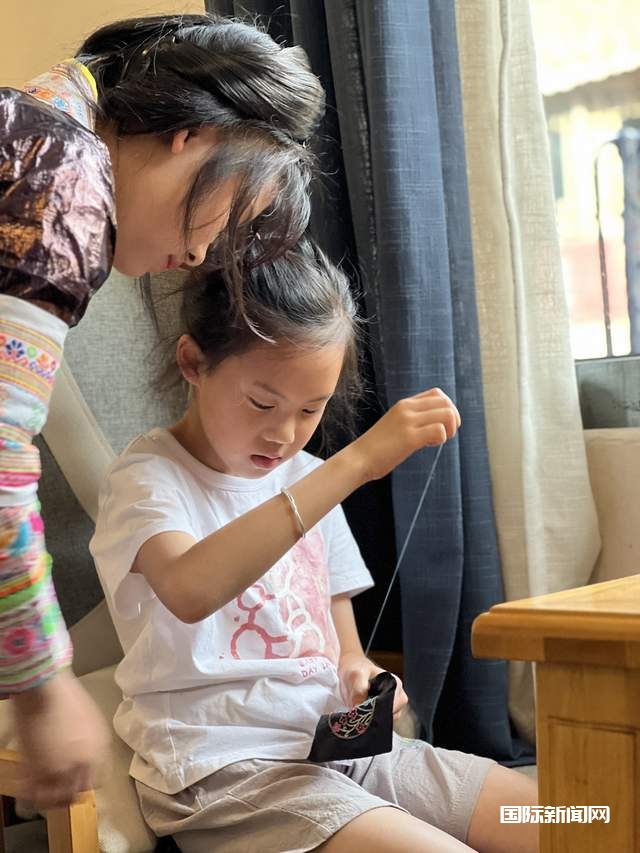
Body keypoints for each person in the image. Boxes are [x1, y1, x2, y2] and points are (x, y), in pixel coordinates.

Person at [91, 241, 538, 853]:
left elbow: (339, 635)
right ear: (194, 361)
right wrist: (355, 464)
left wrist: (360, 673)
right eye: (262, 403)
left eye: (310, 409)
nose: (283, 434)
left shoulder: (307, 474)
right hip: (225, 771)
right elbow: (189, 590)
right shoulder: (147, 479)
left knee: (577, 817)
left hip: (342, 749)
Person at [0, 12, 324, 807]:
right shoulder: (62, 172)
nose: (204, 253)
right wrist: (42, 686)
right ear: (189, 137)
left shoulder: (32, 125)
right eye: (228, 210)